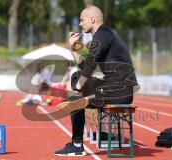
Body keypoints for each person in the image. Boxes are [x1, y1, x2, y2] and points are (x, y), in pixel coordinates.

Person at [54, 6, 138, 156]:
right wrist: (73, 50)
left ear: (92, 19)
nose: (80, 24)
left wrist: (80, 84)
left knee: (76, 95)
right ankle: (80, 141)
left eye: (82, 20)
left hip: (119, 90)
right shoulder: (104, 35)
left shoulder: (103, 34)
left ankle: (77, 144)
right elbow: (87, 66)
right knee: (76, 83)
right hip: (112, 87)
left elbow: (91, 64)